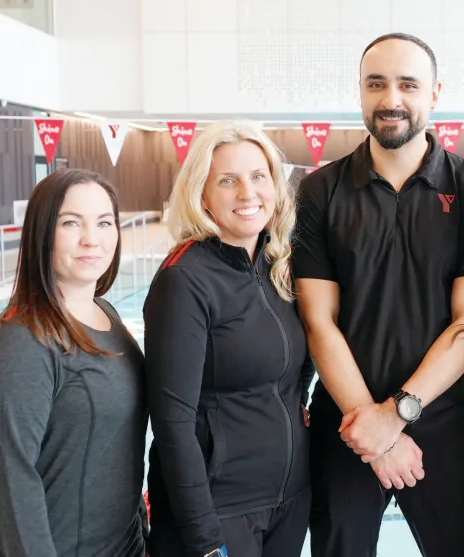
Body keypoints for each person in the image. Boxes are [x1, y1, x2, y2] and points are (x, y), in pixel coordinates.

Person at [293, 32, 464, 557]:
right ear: (360, 92)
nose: (391, 99)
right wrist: (369, 424)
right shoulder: (321, 191)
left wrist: (396, 415)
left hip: (444, 418)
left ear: (434, 94)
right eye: (376, 84)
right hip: (345, 419)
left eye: (408, 84)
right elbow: (319, 322)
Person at [143, 121, 314, 557]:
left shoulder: (275, 266)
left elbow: (293, 376)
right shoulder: (185, 280)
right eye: (228, 180)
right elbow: (172, 423)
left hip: (286, 500)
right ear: (202, 194)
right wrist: (203, 539)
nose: (247, 193)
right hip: (221, 511)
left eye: (258, 177)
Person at [0, 169, 146, 557]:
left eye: (104, 222)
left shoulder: (106, 315)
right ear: (42, 232)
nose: (92, 238)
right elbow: (10, 481)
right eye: (71, 223)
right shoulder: (22, 339)